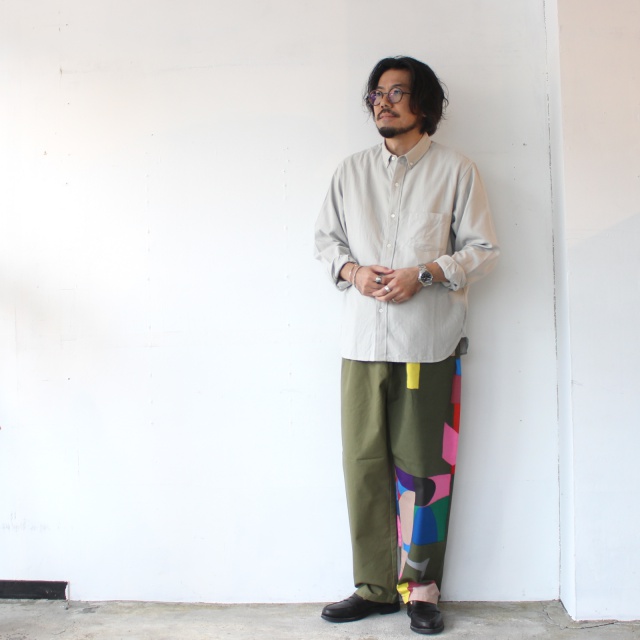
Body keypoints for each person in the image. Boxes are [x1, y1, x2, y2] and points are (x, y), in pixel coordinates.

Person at [314, 56, 499, 635]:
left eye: (397, 92)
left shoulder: (456, 170)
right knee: (362, 465)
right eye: (377, 93)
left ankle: (421, 588)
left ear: (425, 103)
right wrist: (352, 272)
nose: (383, 102)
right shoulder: (350, 172)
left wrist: (426, 272)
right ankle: (374, 588)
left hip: (427, 345)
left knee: (425, 472)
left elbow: (483, 250)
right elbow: (325, 241)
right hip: (361, 343)